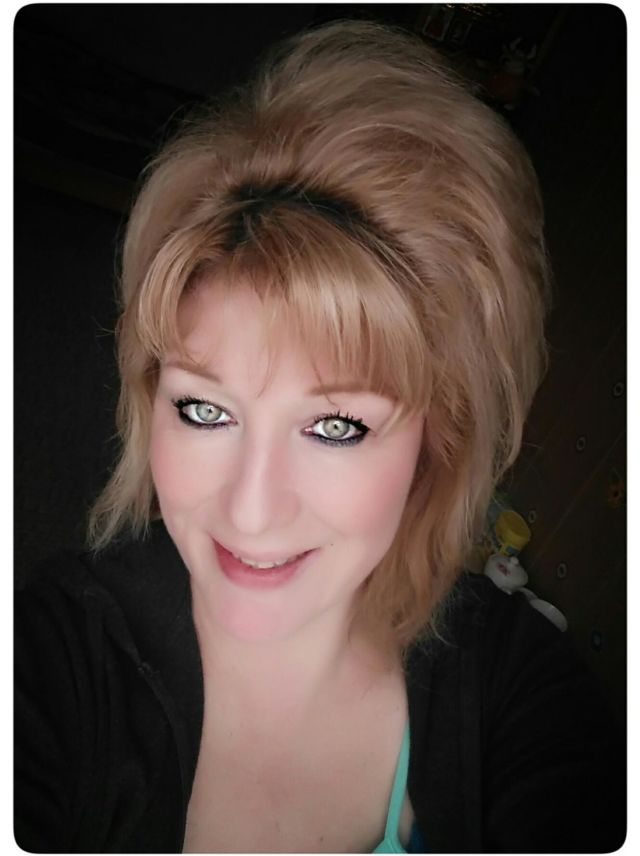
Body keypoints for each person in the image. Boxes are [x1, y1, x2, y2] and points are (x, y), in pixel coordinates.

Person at [15, 19, 625, 854]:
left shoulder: (519, 695)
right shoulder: (53, 661)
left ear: (437, 440)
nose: (251, 512)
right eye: (205, 411)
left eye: (335, 426)